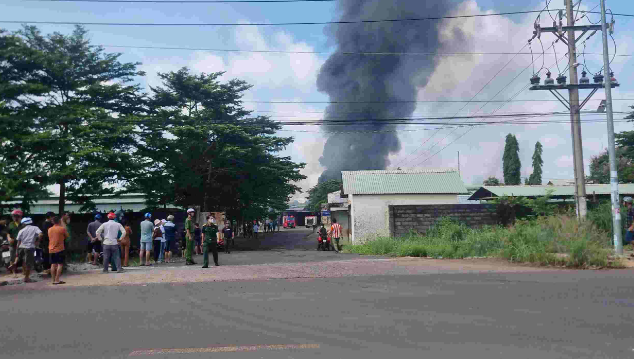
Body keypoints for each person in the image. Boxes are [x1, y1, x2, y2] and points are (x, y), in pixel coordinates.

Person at [9, 217, 43, 283]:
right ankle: (26, 278)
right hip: (29, 248)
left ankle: (15, 262)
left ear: (24, 223)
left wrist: (17, 250)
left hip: (21, 247)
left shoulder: (21, 230)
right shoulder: (35, 228)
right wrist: (37, 241)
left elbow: (18, 242)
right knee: (29, 264)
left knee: (18, 257)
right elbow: (41, 234)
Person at [48, 216, 68, 285]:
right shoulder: (62, 229)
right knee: (60, 264)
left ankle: (53, 280)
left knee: (53, 264)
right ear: (59, 221)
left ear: (52, 222)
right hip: (60, 249)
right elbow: (67, 236)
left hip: (51, 249)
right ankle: (57, 279)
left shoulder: (49, 229)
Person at [7, 209, 23, 277]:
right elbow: (8, 233)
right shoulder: (11, 224)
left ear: (19, 216)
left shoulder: (23, 224)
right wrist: (9, 238)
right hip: (13, 244)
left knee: (23, 257)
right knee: (12, 258)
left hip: (22, 244)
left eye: (15, 216)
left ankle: (25, 271)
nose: (14, 217)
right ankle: (13, 272)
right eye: (13, 216)